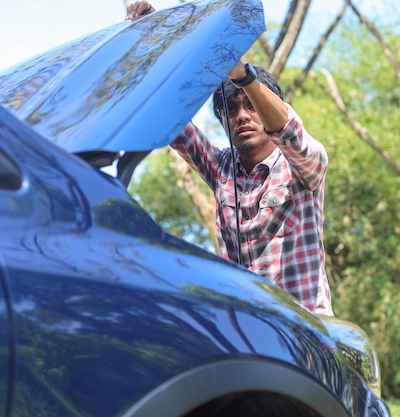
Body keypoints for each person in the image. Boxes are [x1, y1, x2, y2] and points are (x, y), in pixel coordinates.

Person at [127, 2, 333, 316]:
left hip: (306, 332)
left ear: (269, 106)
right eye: (231, 110)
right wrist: (150, 35)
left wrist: (244, 77)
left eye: (250, 105)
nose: (241, 116)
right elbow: (170, 115)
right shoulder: (221, 168)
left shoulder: (305, 166)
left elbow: (288, 132)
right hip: (249, 332)